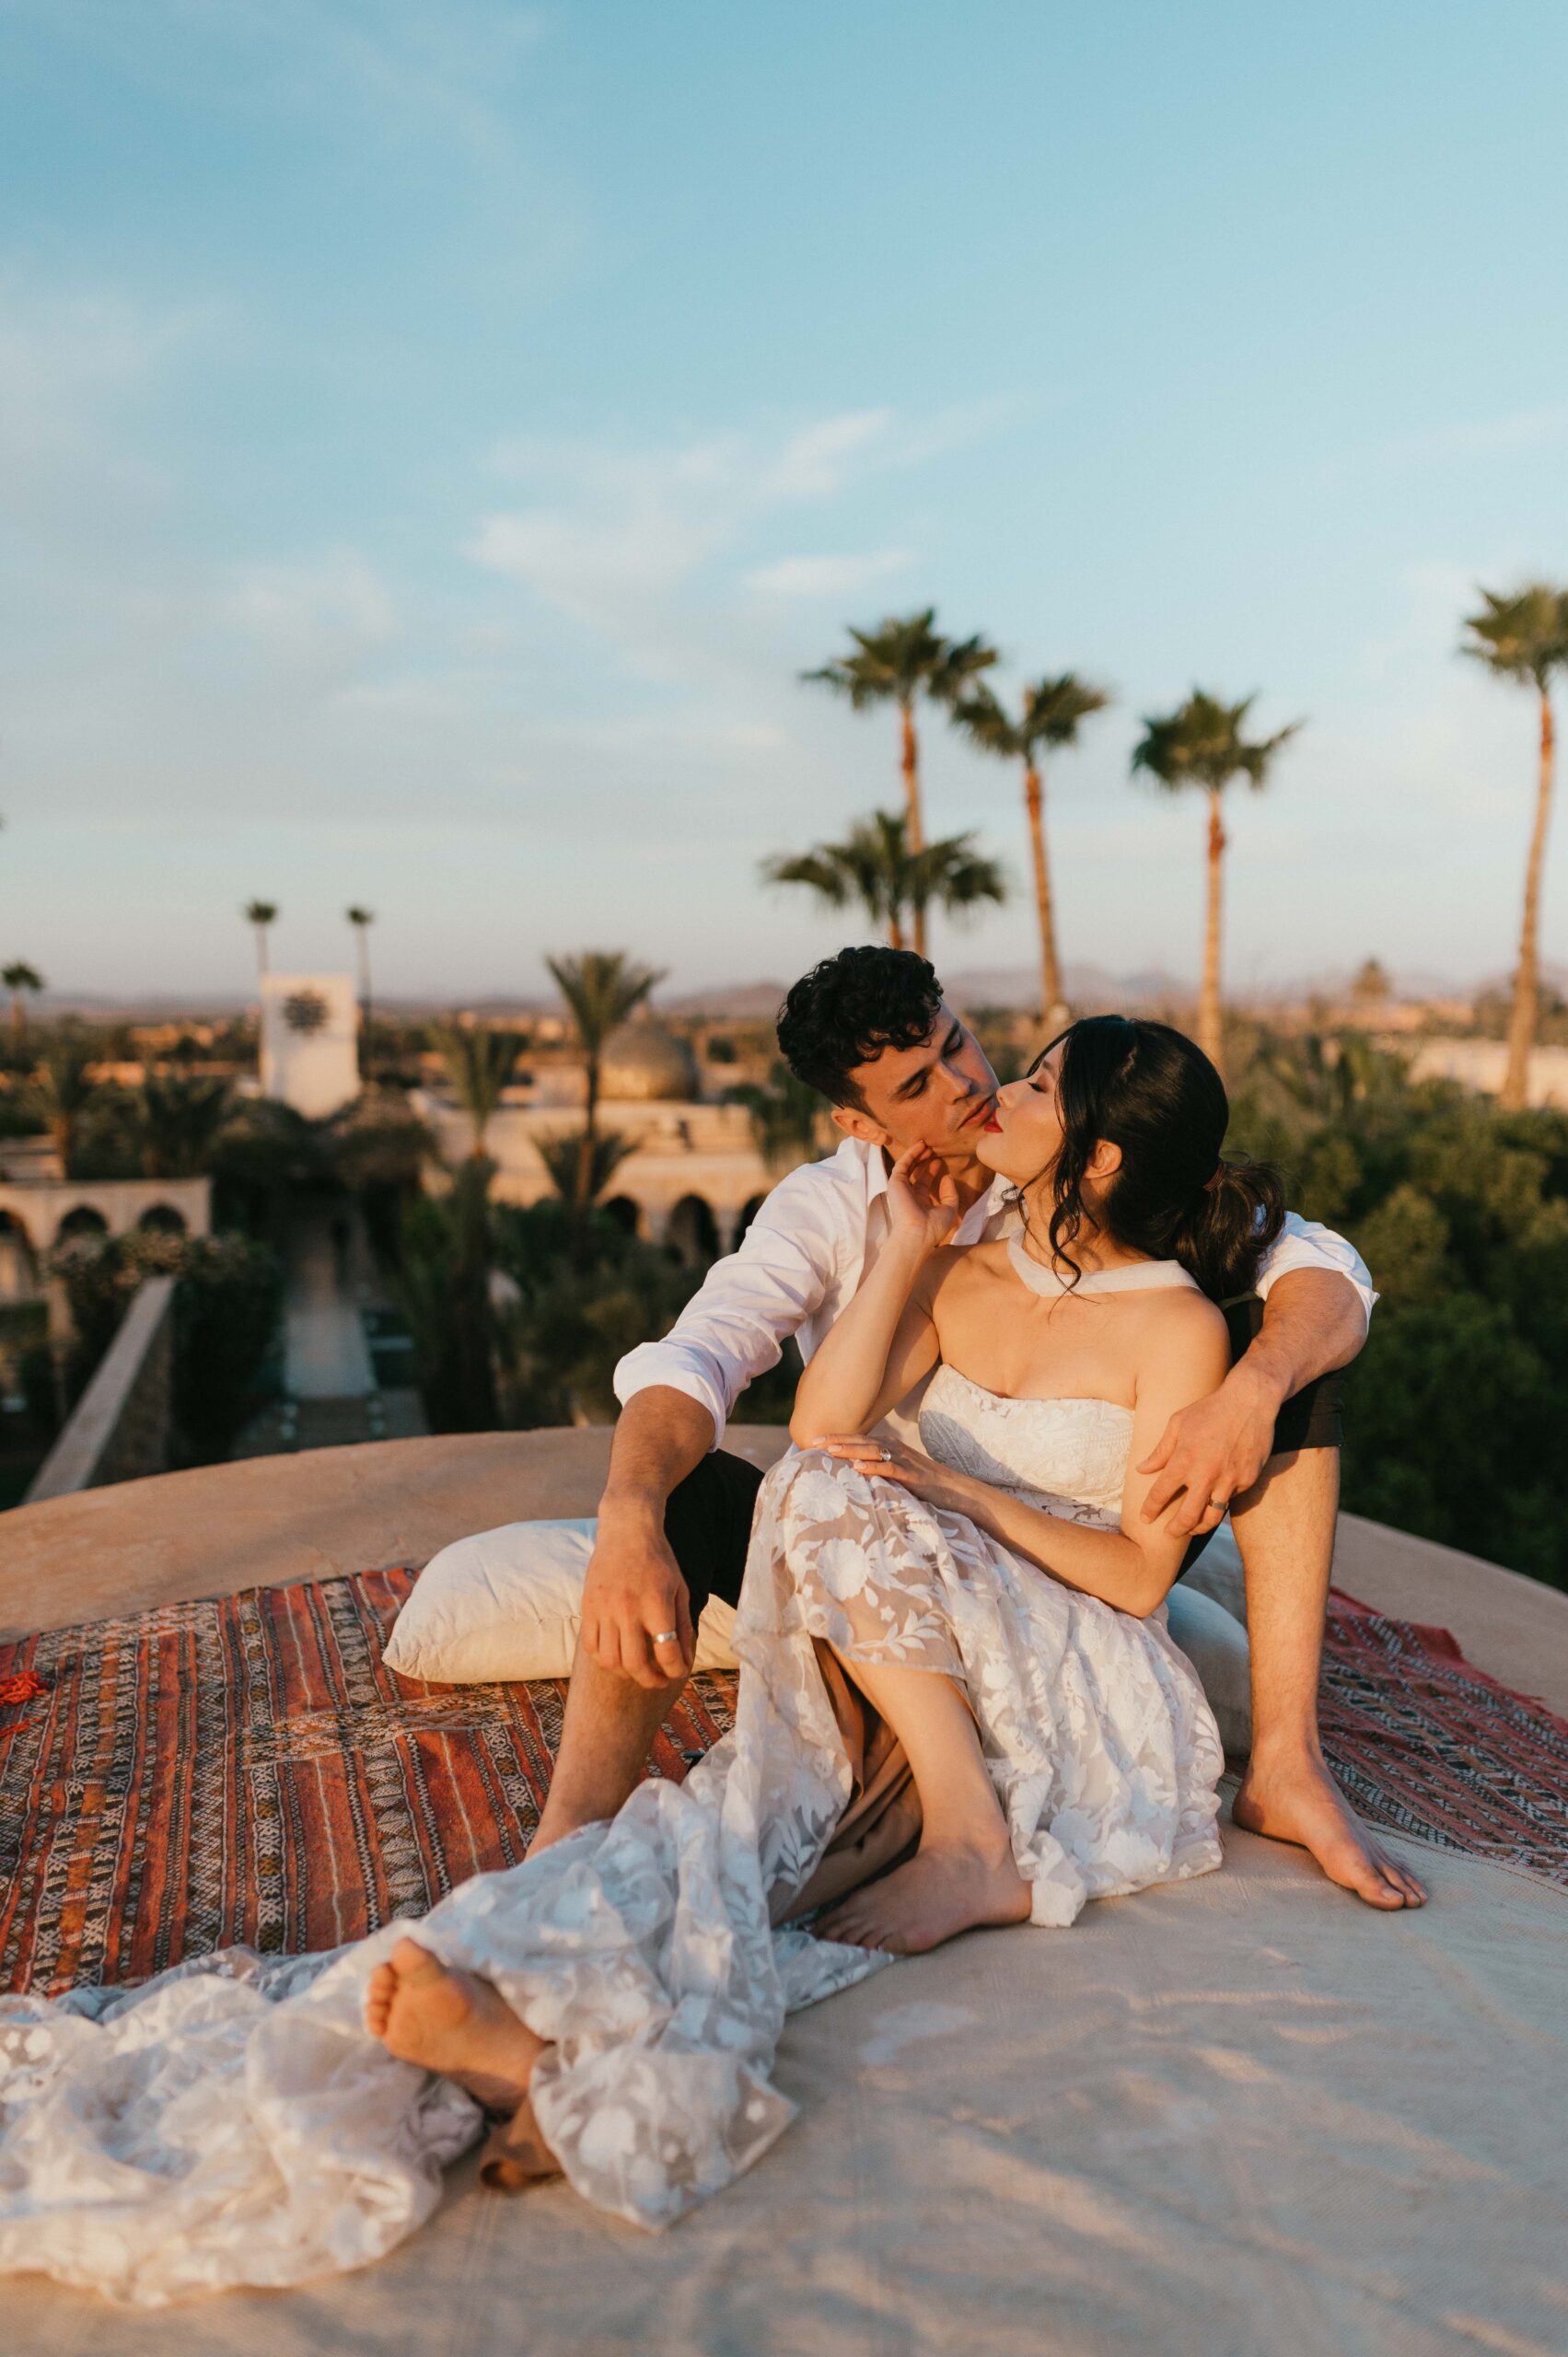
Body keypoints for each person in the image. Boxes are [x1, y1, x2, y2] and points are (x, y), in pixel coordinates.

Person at [533, 947, 1424, 1912]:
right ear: (858, 1122)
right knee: (715, 1488)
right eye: (917, 1084)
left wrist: (1249, 1390)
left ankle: (1284, 1765)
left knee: (1295, 1361)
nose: (967, 1086)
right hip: (880, 1539)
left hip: (1052, 1571)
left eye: (956, 1044)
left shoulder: (1078, 1168)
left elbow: (1323, 1264)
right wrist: (625, 1511)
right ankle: (565, 1834)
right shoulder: (831, 1210)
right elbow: (702, 1363)